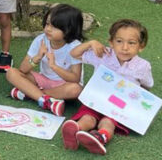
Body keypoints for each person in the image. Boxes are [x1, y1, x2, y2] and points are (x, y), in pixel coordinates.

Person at [62, 19, 153, 155]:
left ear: (141, 46)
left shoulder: (143, 66)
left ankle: (100, 137)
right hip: (97, 99)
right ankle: (75, 130)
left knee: (108, 122)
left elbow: (147, 86)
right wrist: (90, 43)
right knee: (88, 117)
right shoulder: (103, 54)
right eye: (119, 41)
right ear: (111, 42)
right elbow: (74, 54)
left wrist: (137, 106)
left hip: (119, 106)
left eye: (131, 43)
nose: (125, 47)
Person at [6, 4, 85, 116]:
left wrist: (54, 66)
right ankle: (46, 100)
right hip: (43, 80)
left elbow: (75, 79)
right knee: (11, 72)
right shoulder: (41, 40)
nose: (48, 29)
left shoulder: (75, 47)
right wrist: (37, 57)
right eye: (47, 24)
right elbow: (23, 69)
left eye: (54, 26)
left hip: (64, 85)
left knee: (76, 89)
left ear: (69, 30)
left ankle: (30, 94)